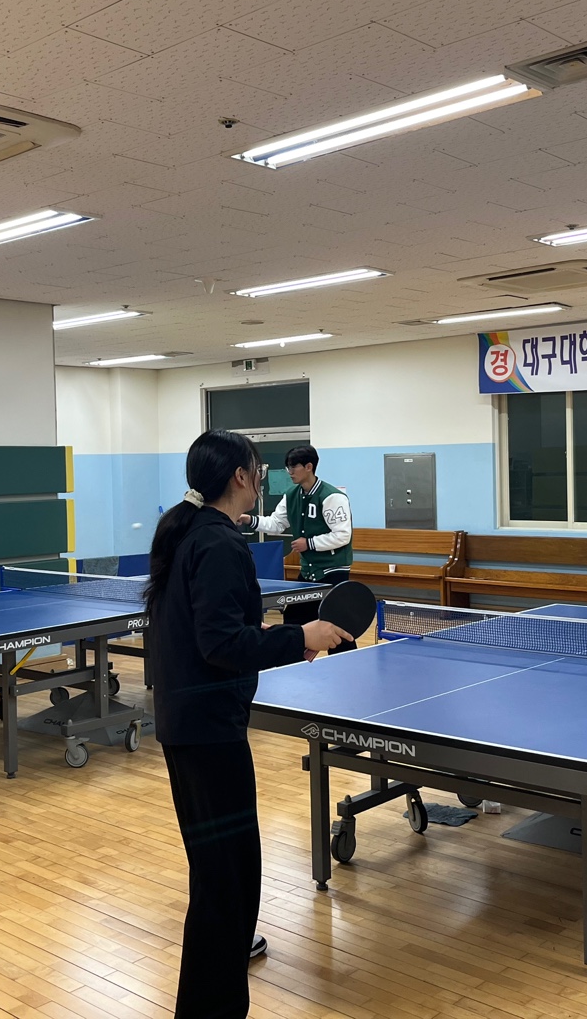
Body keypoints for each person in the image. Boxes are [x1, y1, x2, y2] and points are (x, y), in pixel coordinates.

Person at [145, 430, 351, 1018]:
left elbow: (207, 632)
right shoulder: (219, 543)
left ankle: (212, 991)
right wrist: (301, 634)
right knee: (229, 880)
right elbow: (220, 644)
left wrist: (270, 638)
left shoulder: (190, 534)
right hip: (209, 730)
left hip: (186, 722)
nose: (262, 478)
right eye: (258, 470)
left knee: (219, 875)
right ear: (240, 476)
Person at [239, 444, 355, 653]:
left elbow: (342, 535)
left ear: (309, 467)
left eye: (294, 467)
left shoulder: (332, 497)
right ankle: (294, 662)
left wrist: (309, 543)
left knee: (337, 625)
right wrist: (250, 519)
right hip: (308, 571)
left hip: (333, 570)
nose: (290, 472)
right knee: (294, 618)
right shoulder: (291, 495)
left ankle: (346, 662)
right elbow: (276, 523)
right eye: (288, 467)